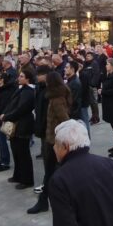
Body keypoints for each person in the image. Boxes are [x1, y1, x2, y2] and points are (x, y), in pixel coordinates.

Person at [28, 71, 71, 214]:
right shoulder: (58, 95)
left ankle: (44, 201)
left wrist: (57, 136)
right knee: (52, 172)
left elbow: (65, 120)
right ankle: (46, 200)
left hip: (54, 140)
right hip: (53, 138)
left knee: (50, 172)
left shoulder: (56, 99)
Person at [0, 65, 36, 188]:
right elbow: (12, 103)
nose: (19, 78)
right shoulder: (21, 89)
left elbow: (21, 109)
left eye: (21, 76)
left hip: (23, 125)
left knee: (23, 153)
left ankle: (27, 180)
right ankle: (18, 175)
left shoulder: (29, 92)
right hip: (16, 124)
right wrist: (5, 113)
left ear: (28, 79)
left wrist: (7, 116)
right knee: (16, 151)